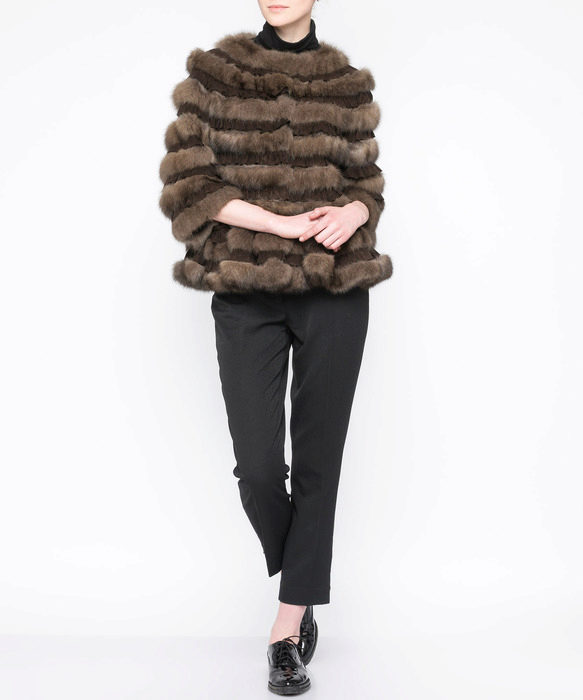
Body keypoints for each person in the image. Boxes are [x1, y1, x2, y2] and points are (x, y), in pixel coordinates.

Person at [158, 1, 393, 694]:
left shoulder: (346, 82)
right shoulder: (214, 74)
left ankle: (286, 628)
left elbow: (367, 187)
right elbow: (189, 185)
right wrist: (282, 225)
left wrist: (355, 210)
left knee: (319, 463)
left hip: (334, 286)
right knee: (259, 468)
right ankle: (305, 572)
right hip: (247, 289)